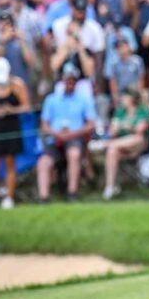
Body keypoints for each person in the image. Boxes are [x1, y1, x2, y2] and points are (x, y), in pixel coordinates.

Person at [37, 62, 95, 203]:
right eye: (67, 80)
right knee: (43, 162)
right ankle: (44, 197)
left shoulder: (84, 100)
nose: (70, 83)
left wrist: (72, 134)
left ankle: (72, 193)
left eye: (73, 80)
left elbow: (90, 125)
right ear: (62, 81)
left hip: (75, 138)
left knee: (74, 154)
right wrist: (56, 134)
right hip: (54, 138)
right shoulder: (51, 99)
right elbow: (44, 125)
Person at [0, 58, 28, 210]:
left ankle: (9, 198)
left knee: (10, 163)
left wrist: (11, 110)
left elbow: (26, 106)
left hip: (11, 126)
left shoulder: (18, 85)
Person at [100, 89, 149, 201]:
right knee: (112, 151)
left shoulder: (143, 111)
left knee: (136, 138)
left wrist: (126, 126)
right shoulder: (120, 111)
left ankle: (105, 145)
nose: (123, 99)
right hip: (122, 146)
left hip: (139, 145)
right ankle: (110, 187)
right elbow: (112, 132)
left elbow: (140, 130)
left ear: (133, 98)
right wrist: (114, 129)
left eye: (125, 97)